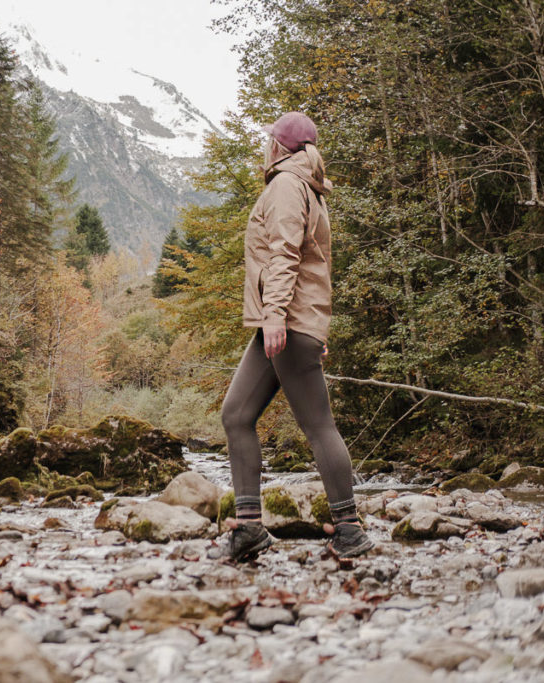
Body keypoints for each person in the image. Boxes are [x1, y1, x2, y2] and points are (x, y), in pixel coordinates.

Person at [219, 112, 374, 562]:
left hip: (285, 321)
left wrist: (276, 316)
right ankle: (249, 529)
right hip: (293, 319)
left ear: (279, 146)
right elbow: (318, 260)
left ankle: (349, 530)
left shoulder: (287, 184)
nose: (265, 146)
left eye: (268, 140)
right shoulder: (309, 186)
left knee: (318, 424)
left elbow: (285, 254)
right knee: (236, 414)